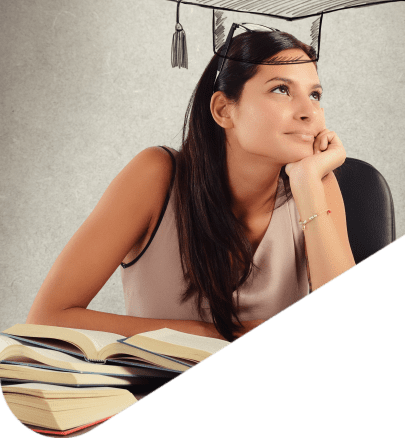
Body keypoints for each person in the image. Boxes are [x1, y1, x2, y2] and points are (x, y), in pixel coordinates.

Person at [27, 30, 356, 342]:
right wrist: (224, 335)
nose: (309, 112)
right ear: (224, 110)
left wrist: (308, 182)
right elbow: (47, 318)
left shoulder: (315, 184)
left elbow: (348, 332)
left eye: (315, 94)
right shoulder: (157, 175)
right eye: (281, 89)